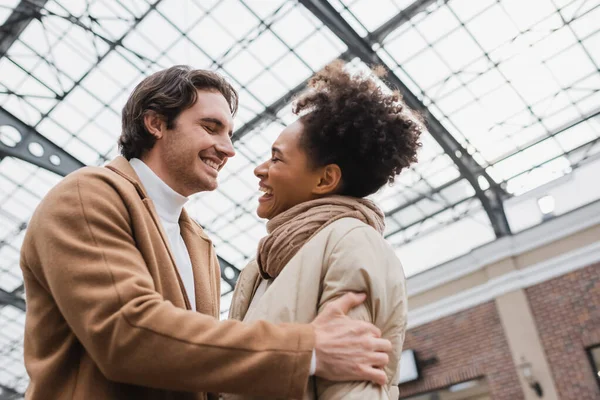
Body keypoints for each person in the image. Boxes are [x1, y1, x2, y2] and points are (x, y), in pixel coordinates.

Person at [19, 65, 394, 400]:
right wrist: (307, 350)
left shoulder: (199, 243)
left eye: (229, 133)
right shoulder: (88, 194)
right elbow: (127, 333)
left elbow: (201, 370)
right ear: (156, 124)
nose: (228, 149)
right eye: (211, 127)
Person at [224, 61, 423, 400]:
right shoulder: (263, 264)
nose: (260, 169)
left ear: (324, 179)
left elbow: (353, 388)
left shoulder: (351, 243)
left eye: (276, 159)